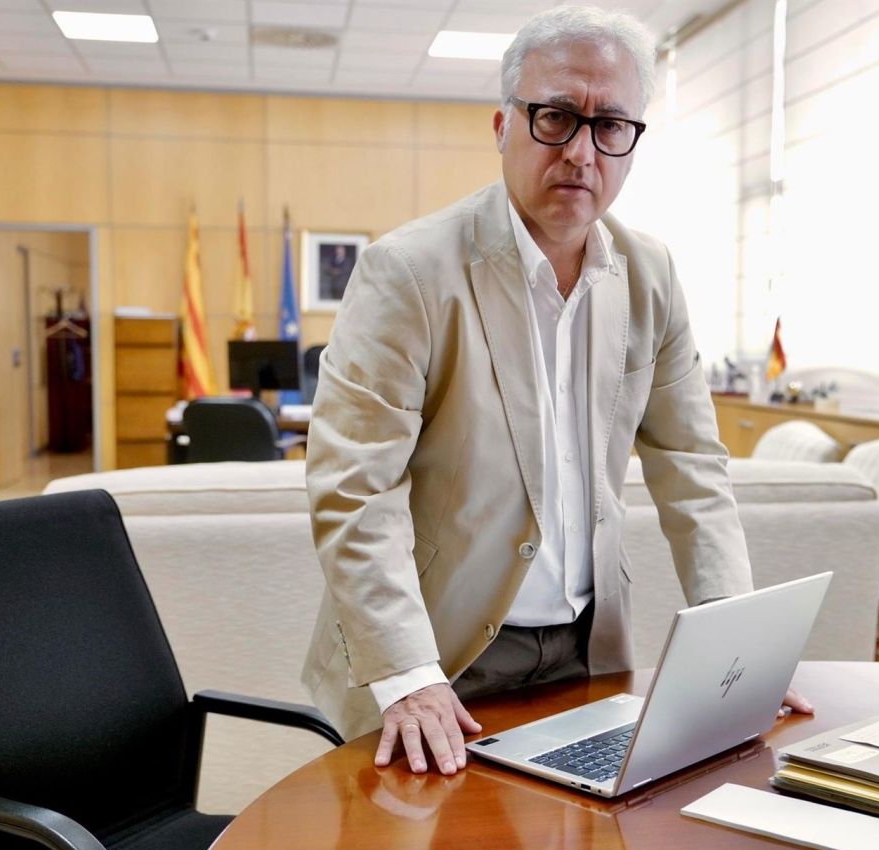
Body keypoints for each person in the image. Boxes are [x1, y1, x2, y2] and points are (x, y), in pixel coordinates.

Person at [302, 5, 812, 776]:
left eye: (610, 126)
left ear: (633, 143)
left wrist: (738, 642)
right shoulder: (408, 272)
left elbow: (694, 469)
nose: (581, 151)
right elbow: (354, 488)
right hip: (436, 659)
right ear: (503, 125)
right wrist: (408, 674)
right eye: (556, 117)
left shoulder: (650, 275)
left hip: (588, 652)